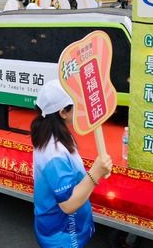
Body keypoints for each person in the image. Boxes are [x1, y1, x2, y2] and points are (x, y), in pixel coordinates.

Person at [31, 80, 112, 248]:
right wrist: (95, 173)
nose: (81, 108)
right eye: (77, 104)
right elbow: (68, 205)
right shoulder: (53, 154)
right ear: (63, 112)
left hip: (69, 225)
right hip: (61, 233)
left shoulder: (54, 133)